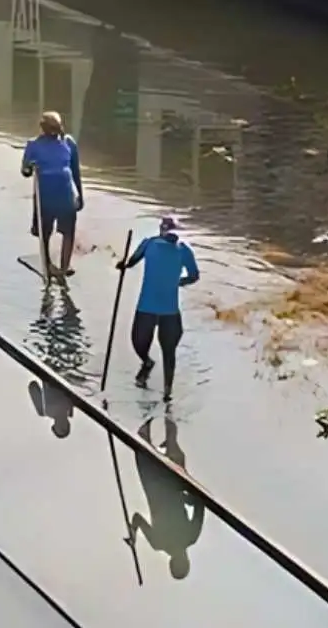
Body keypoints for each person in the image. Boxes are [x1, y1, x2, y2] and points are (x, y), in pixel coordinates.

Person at [117, 215, 199, 400]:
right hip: (147, 305)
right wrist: (124, 265)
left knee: (169, 352)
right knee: (138, 343)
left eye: (174, 233)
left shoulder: (183, 251)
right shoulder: (149, 244)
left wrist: (179, 282)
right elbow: (132, 260)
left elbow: (194, 275)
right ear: (161, 231)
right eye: (168, 232)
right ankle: (147, 363)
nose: (171, 236)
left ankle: (167, 391)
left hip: (169, 310)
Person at [130, 416, 204, 579]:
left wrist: (186, 498)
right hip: (157, 483)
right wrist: (133, 532)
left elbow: (199, 503)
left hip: (166, 483)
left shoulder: (190, 536)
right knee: (148, 438)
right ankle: (163, 411)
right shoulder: (159, 543)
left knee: (155, 436)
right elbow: (136, 519)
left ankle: (165, 411)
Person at [21, 111, 83, 278]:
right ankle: (51, 266)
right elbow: (25, 170)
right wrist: (30, 167)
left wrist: (80, 196)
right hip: (50, 195)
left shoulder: (68, 143)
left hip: (60, 194)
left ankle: (62, 267)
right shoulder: (34, 145)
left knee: (62, 232)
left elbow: (75, 171)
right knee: (48, 232)